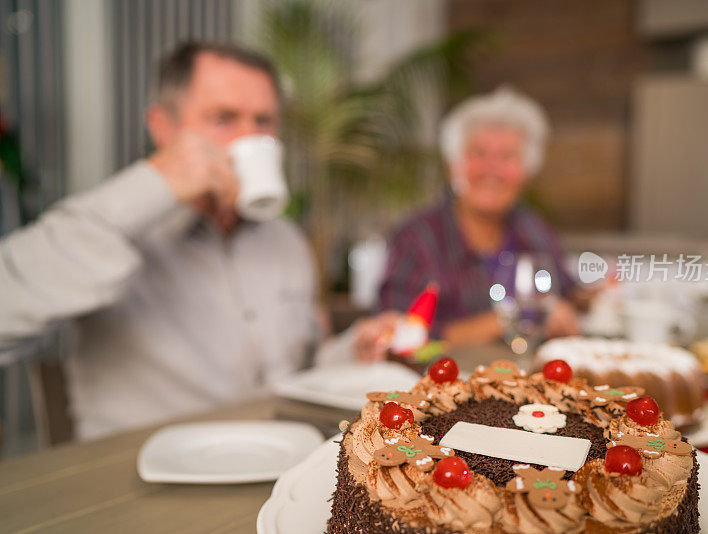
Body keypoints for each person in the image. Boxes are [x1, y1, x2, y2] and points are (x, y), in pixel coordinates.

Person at [0, 42, 396, 440]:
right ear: (162, 127)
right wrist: (153, 184)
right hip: (141, 479)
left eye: (264, 121)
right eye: (223, 118)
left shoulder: (286, 241)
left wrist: (349, 353)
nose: (249, 138)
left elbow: (297, 369)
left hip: (272, 458)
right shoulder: (112, 228)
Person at [379, 87, 580, 347]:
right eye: (478, 153)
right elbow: (394, 336)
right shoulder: (415, 238)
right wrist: (503, 321)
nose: (491, 169)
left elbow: (567, 294)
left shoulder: (533, 228)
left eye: (507, 156)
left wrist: (590, 298)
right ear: (453, 166)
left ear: (527, 172)